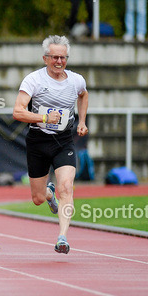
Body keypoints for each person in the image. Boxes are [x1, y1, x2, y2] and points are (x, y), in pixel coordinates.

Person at [13, 35, 88, 254]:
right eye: (54, 57)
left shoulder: (76, 80)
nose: (59, 62)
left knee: (67, 187)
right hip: (38, 140)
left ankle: (62, 237)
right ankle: (48, 193)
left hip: (64, 141)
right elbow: (17, 111)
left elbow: (84, 95)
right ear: (45, 58)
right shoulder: (33, 80)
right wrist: (44, 118)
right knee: (37, 198)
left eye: (63, 58)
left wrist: (82, 121)